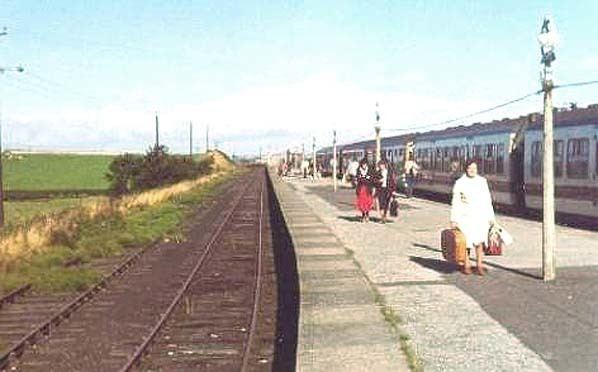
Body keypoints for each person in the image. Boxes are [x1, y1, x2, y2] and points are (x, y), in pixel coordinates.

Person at [450, 159, 496, 275]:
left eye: (474, 168)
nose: (472, 170)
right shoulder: (460, 182)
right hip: (464, 217)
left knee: (479, 242)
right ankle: (467, 264)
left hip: (480, 216)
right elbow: (455, 201)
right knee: (466, 242)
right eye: (470, 168)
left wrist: (491, 217)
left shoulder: (482, 181)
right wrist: (454, 219)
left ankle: (479, 265)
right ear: (466, 169)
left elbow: (487, 200)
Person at [355, 158, 374, 222]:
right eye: (363, 164)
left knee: (368, 202)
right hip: (361, 189)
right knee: (361, 203)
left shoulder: (370, 170)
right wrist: (365, 178)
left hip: (368, 189)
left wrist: (363, 178)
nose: (364, 166)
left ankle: (367, 214)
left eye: (365, 164)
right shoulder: (358, 170)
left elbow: (371, 179)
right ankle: (363, 215)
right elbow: (358, 179)